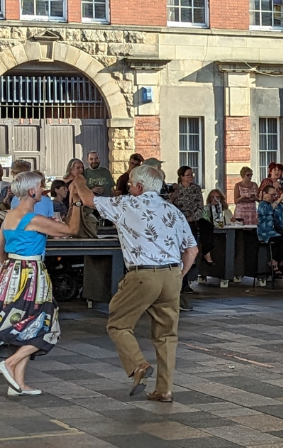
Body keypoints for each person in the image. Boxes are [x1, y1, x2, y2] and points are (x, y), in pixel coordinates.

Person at [0, 171, 92, 396]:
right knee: (46, 325)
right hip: (32, 274)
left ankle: (18, 383)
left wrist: (9, 270)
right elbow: (71, 230)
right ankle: (11, 363)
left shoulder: (9, 216)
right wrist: (76, 202)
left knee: (23, 324)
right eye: (40, 186)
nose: (43, 190)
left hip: (11, 272)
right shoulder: (34, 220)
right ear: (31, 191)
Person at [96, 165, 198, 402]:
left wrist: (78, 180)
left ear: (139, 186)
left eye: (130, 184)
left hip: (143, 274)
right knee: (167, 336)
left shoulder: (127, 204)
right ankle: (164, 389)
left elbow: (89, 199)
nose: (129, 188)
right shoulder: (173, 210)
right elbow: (192, 250)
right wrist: (179, 275)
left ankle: (138, 365)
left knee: (119, 324)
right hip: (172, 275)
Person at [257, 185, 283, 277]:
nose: (273, 197)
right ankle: (274, 261)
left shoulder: (278, 205)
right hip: (267, 232)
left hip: (280, 231)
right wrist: (280, 198)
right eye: (271, 195)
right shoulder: (262, 205)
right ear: (264, 193)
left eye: (274, 195)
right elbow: (267, 211)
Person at [169, 166, 205, 240]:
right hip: (178, 220)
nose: (191, 176)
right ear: (182, 176)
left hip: (193, 221)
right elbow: (170, 205)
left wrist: (192, 218)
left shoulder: (196, 188)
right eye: (188, 175)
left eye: (192, 174)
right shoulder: (176, 189)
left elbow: (200, 207)